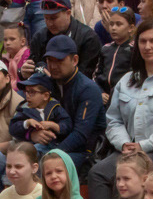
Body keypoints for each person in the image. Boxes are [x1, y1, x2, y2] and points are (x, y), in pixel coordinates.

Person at [87, 19, 153, 199]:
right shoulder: (127, 80)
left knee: (130, 176)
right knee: (98, 173)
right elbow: (113, 120)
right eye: (143, 41)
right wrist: (124, 144)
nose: (147, 46)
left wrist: (143, 146)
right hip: (127, 150)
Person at [42, 35, 107, 173]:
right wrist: (32, 134)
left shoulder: (88, 89)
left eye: (59, 60)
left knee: (45, 167)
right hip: (54, 144)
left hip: (84, 153)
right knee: (20, 157)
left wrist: (52, 155)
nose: (53, 66)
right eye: (49, 60)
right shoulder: (48, 83)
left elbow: (80, 135)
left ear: (75, 60)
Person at [26, 0, 101, 82]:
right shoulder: (39, 37)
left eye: (53, 18)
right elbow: (32, 67)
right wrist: (23, 73)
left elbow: (86, 77)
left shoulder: (88, 38)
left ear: (68, 13)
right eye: (46, 18)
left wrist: (53, 80)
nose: (49, 23)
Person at [10, 70, 72, 152]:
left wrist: (54, 125)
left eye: (32, 92)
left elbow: (67, 125)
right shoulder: (24, 109)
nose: (27, 96)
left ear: (45, 96)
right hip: (32, 148)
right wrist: (27, 123)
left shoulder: (55, 108)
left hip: (55, 147)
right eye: (26, 91)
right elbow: (13, 128)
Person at [96, 5, 137, 99]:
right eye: (111, 24)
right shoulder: (105, 49)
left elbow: (134, 77)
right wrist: (100, 92)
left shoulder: (134, 50)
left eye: (119, 24)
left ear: (131, 28)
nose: (113, 28)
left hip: (123, 97)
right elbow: (97, 75)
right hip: (104, 97)